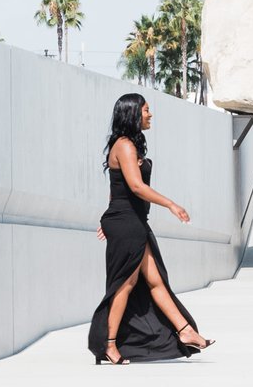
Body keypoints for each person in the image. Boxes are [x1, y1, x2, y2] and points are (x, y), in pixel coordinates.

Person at [89, 93, 214, 364]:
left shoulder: (129, 145)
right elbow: (134, 187)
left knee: (155, 281)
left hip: (130, 220)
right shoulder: (124, 146)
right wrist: (171, 204)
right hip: (127, 222)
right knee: (127, 282)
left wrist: (107, 219)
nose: (150, 115)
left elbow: (117, 190)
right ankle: (109, 344)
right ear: (133, 113)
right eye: (146, 110)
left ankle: (186, 331)